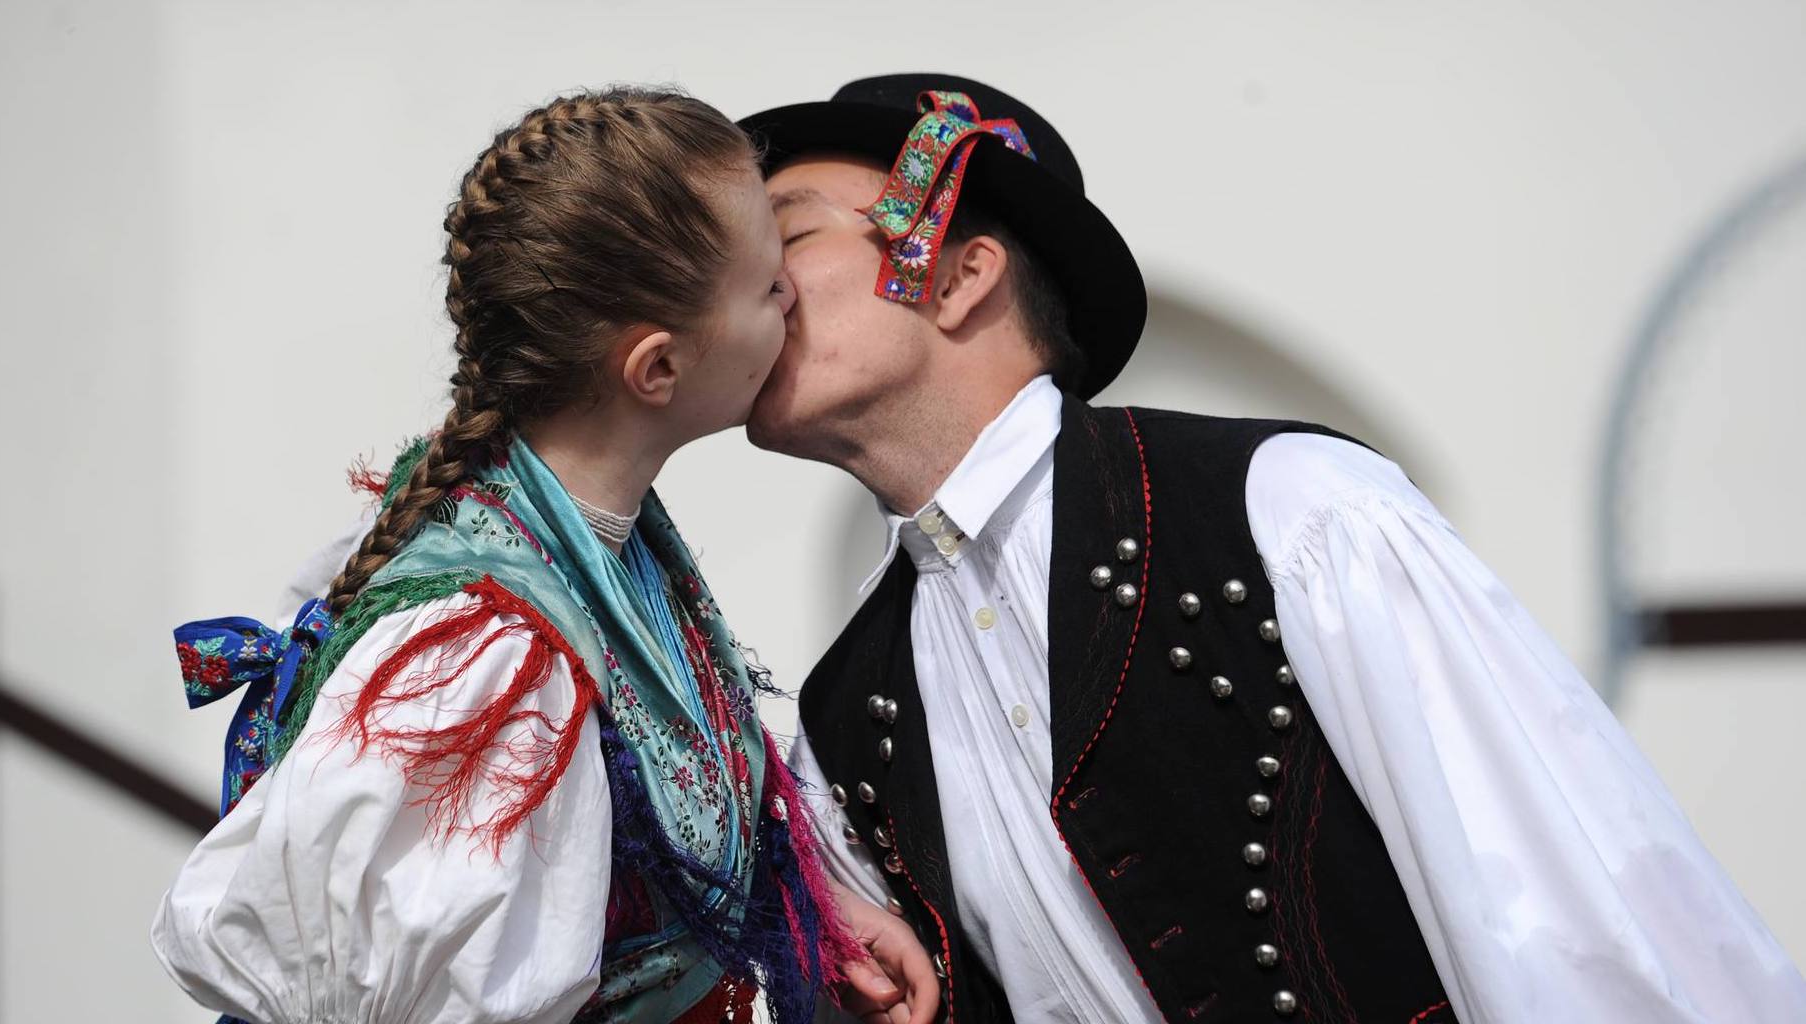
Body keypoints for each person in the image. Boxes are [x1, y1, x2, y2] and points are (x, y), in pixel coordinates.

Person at [740, 73, 1806, 1022]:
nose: (750, 285)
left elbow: (1572, 911)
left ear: (959, 274)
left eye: (785, 233)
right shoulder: (844, 720)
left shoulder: (1291, 510)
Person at [151, 86, 913, 1024]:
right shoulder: (489, 653)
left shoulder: (594, 543)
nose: (793, 293)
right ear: (658, 368)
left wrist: (815, 908)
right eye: (767, 283)